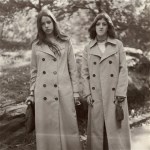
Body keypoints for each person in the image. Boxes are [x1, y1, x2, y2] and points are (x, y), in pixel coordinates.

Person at [26, 8, 82, 150]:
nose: (46, 26)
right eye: (43, 24)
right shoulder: (36, 45)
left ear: (54, 22)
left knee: (68, 129)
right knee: (47, 133)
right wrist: (31, 93)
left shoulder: (65, 42)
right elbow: (34, 72)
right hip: (43, 94)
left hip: (63, 92)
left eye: (49, 22)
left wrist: (76, 92)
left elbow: (73, 69)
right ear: (40, 26)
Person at [81, 12, 131, 150]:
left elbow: (123, 69)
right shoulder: (88, 48)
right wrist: (87, 94)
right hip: (96, 96)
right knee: (98, 132)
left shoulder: (117, 45)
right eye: (98, 24)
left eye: (104, 24)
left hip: (115, 96)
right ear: (94, 27)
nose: (101, 27)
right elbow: (84, 73)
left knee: (115, 132)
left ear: (108, 27)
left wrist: (121, 92)